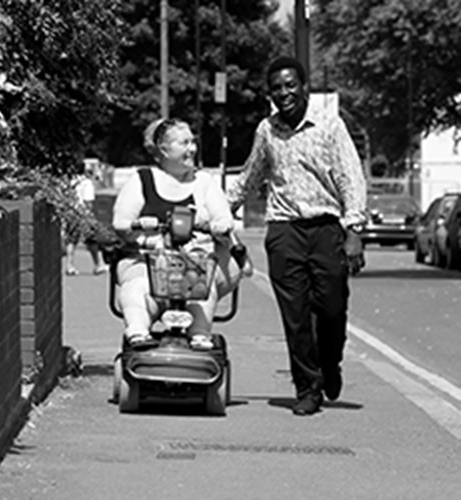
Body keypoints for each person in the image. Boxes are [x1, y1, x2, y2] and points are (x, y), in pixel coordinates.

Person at [227, 56, 367, 415]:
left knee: (332, 309)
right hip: (285, 230)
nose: (283, 93)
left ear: (304, 87)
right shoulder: (267, 131)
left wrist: (354, 230)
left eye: (290, 85)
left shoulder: (329, 126)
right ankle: (307, 387)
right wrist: (218, 210)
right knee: (296, 315)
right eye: (276, 88)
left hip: (326, 229)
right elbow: (250, 177)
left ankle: (329, 362)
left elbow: (351, 178)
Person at [112, 118, 247, 350]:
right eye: (184, 143)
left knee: (200, 283)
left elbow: (223, 217)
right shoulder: (142, 180)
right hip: (148, 263)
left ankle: (200, 335)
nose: (192, 149)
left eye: (192, 142)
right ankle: (137, 332)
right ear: (164, 149)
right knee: (136, 287)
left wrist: (217, 225)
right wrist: (143, 230)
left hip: (194, 263)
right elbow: (121, 223)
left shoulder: (204, 182)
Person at [65, 162, 108, 276]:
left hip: (71, 213)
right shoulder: (87, 183)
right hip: (83, 214)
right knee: (92, 241)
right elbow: (88, 201)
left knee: (71, 240)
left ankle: (69, 266)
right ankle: (98, 265)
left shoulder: (71, 182)